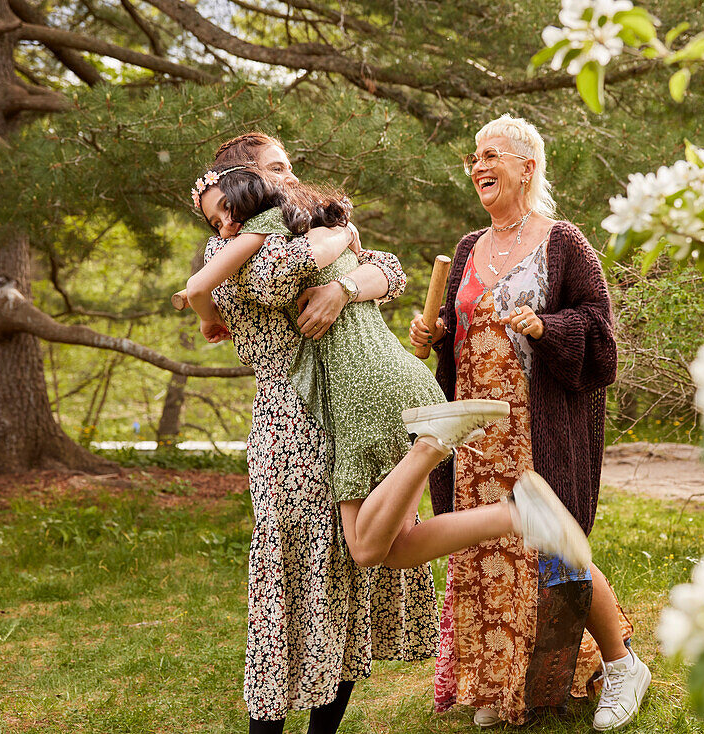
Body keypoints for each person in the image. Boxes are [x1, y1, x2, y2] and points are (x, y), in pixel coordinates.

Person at [180, 132, 586, 734]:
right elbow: (272, 278)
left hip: (341, 413)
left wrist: (344, 272)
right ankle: (511, 511)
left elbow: (388, 271)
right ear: (247, 190)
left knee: (335, 582)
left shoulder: (290, 241)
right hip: (296, 431)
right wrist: (336, 244)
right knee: (330, 578)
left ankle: (449, 465)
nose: (287, 178)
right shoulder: (256, 252)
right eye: (273, 171)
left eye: (288, 166)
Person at [186, 160, 590, 571]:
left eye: (226, 211)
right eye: (215, 222)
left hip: (360, 390)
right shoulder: (316, 225)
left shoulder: (267, 236)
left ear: (249, 197)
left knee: (363, 548)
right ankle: (516, 514)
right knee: (396, 547)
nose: (224, 228)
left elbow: (202, 286)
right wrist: (345, 238)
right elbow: (384, 268)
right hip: (397, 376)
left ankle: (435, 444)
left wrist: (208, 315)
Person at [410, 114, 650, 730]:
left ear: (528, 165)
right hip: (476, 432)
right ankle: (503, 683)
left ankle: (623, 665)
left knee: (554, 546)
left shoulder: (563, 242)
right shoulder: (468, 248)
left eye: (491, 155)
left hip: (535, 427)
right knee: (486, 549)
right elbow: (459, 340)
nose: (478, 166)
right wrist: (435, 333)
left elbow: (601, 336)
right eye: (473, 157)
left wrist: (549, 329)